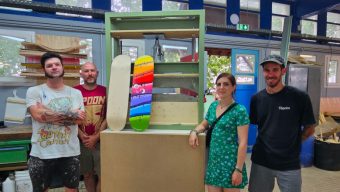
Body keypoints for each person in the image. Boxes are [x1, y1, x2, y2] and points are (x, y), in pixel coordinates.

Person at [248, 55, 316, 192]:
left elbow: (310, 128)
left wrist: (295, 141)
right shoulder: (257, 99)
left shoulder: (299, 97)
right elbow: (258, 125)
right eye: (267, 70)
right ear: (263, 72)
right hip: (262, 162)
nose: (271, 74)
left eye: (275, 70)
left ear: (283, 71)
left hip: (289, 163)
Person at [26, 52, 85, 192]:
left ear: (62, 67)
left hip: (70, 152)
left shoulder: (75, 93)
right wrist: (70, 114)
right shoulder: (34, 91)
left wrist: (46, 110)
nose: (54, 67)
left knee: (72, 189)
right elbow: (37, 115)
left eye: (57, 64)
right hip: (41, 152)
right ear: (44, 70)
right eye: (49, 65)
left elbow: (79, 119)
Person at [189, 73, 249, 192]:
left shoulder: (239, 110)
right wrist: (194, 131)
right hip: (214, 162)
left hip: (231, 163)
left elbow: (243, 142)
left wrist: (238, 169)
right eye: (219, 84)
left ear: (233, 87)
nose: (221, 87)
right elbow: (204, 124)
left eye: (226, 84)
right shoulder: (213, 106)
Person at [74, 62, 107, 192]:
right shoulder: (75, 92)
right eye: (86, 71)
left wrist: (96, 136)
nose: (90, 74)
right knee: (87, 174)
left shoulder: (105, 91)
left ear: (97, 73)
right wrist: (83, 136)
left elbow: (108, 116)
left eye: (92, 71)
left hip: (101, 140)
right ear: (81, 74)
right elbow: (71, 117)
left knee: (103, 174)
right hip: (82, 141)